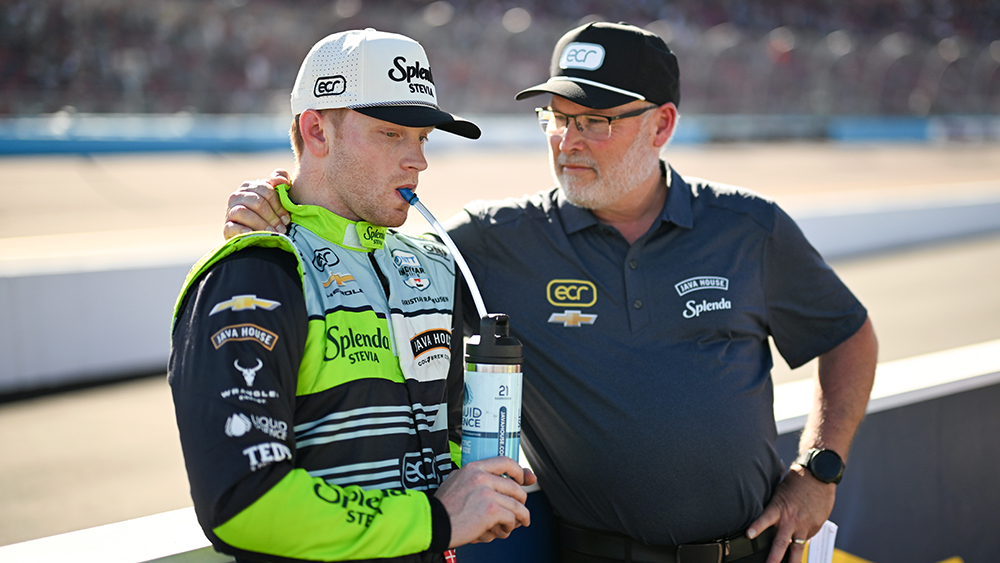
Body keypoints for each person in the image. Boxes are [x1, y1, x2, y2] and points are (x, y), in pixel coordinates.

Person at [223, 22, 877, 563]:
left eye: (595, 120)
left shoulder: (749, 227)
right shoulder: (490, 243)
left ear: (662, 124)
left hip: (754, 553)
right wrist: (277, 203)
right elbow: (360, 233)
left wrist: (819, 470)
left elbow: (848, 334)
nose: (568, 141)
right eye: (556, 118)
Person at [169, 28, 536, 563]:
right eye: (391, 134)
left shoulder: (436, 267)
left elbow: (453, 432)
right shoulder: (254, 274)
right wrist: (437, 519)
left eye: (423, 138)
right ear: (316, 131)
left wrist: (481, 480)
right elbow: (243, 503)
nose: (418, 161)